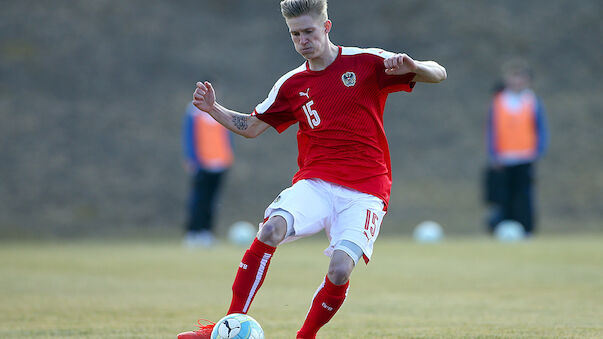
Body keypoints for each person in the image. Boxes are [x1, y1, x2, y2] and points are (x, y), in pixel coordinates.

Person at [178, 0, 446, 338]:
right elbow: (252, 126)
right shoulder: (291, 85)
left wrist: (414, 65)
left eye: (309, 31)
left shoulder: (366, 62)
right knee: (270, 229)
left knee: (339, 271)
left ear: (326, 27)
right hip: (316, 182)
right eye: (295, 35)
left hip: (366, 190)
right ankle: (227, 327)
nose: (303, 40)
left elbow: (439, 72)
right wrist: (213, 108)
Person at [484, 58, 548, 236]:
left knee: (524, 196)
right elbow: (491, 130)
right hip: (504, 158)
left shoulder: (532, 101)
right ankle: (502, 229)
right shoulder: (498, 101)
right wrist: (493, 155)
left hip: (525, 156)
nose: (517, 81)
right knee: (503, 197)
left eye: (521, 77)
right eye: (513, 76)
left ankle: (526, 230)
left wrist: (538, 150)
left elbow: (540, 128)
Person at [182, 102, 234, 247]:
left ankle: (206, 232)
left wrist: (228, 155)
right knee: (198, 199)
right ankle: (192, 233)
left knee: (213, 201)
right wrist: (191, 158)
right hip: (202, 163)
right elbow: (189, 136)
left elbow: (227, 136)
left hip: (220, 163)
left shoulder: (220, 112)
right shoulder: (193, 114)